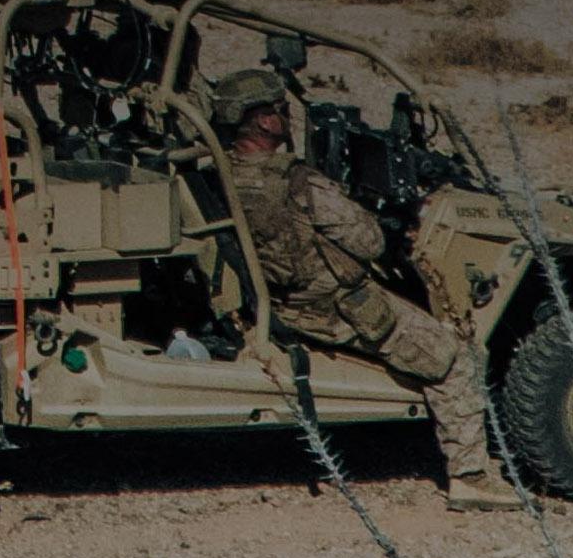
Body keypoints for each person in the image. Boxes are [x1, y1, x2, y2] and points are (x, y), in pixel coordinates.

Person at [203, 68, 506, 510]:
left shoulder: (223, 172)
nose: (287, 119)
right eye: (282, 111)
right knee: (456, 357)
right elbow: (369, 241)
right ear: (266, 122)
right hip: (333, 307)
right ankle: (472, 477)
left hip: (285, 298)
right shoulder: (296, 181)